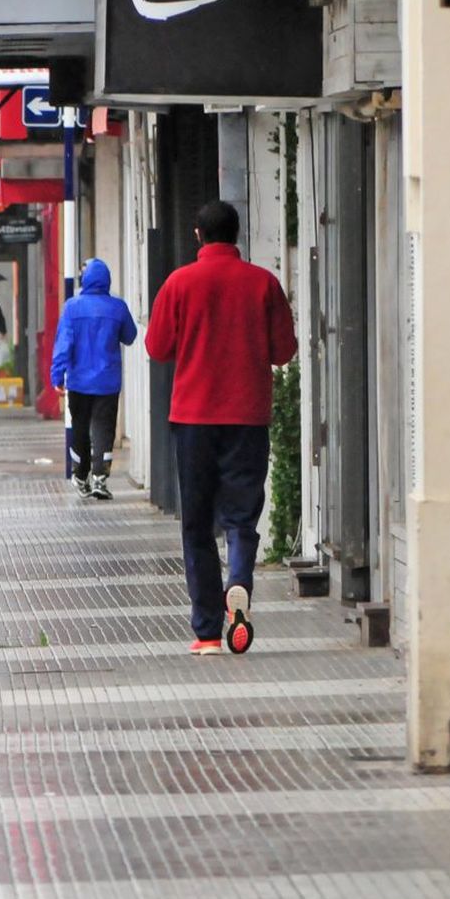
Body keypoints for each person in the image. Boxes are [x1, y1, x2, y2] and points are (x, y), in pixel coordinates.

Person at [145, 200, 297, 656]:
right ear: (237, 235)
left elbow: (157, 347)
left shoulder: (178, 283)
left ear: (197, 235)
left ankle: (208, 631)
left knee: (196, 524)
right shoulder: (263, 284)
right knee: (241, 516)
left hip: (193, 417)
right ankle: (240, 583)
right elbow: (283, 350)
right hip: (247, 416)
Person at [50, 258, 137, 500]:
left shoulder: (72, 307)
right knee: (104, 428)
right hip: (107, 381)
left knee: (80, 426)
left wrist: (57, 375)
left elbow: (63, 345)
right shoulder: (117, 307)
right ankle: (100, 477)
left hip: (78, 381)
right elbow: (130, 336)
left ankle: (80, 475)